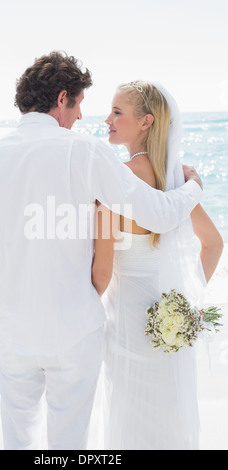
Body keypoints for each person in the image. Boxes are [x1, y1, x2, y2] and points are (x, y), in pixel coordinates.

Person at [0, 52, 204, 451]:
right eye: (78, 106)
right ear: (62, 98)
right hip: (74, 330)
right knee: (68, 445)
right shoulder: (84, 152)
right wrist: (194, 186)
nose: (80, 118)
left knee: (17, 440)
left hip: (13, 334)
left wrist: (1, 314)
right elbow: (158, 215)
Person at [92, 80, 223, 450]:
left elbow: (101, 272)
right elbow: (213, 243)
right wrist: (186, 305)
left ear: (146, 122)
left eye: (117, 112)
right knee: (166, 422)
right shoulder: (174, 179)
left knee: (127, 419)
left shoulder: (118, 179)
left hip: (127, 324)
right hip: (169, 323)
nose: (107, 119)